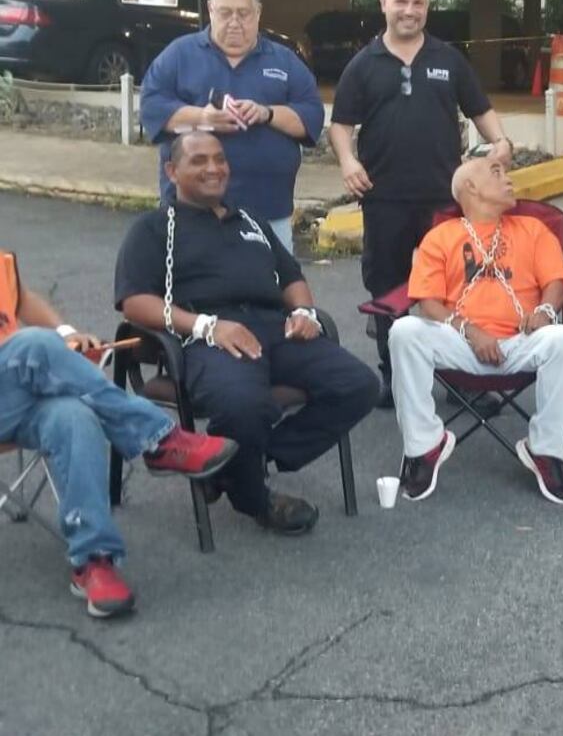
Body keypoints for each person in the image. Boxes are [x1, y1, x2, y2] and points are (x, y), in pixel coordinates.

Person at [114, 131, 380, 536]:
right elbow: (134, 302)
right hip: (207, 337)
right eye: (199, 161)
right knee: (243, 405)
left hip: (275, 329)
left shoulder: (250, 220)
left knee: (358, 385)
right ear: (172, 171)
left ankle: (232, 464)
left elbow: (291, 277)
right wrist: (207, 326)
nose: (214, 168)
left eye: (219, 159)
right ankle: (254, 497)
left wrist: (304, 311)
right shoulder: (154, 228)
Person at [1, 248, 238, 618]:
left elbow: (20, 298)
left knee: (74, 416)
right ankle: (158, 439)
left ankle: (93, 559)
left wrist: (67, 335)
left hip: (18, 394)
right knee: (34, 346)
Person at [328, 0, 514, 408]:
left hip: (444, 200)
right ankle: (395, 380)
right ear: (384, 4)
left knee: (455, 289)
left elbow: (480, 109)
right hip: (384, 198)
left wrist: (501, 141)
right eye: (401, 2)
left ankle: (460, 382)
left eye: (417, 3)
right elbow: (340, 125)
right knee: (387, 290)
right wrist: (348, 161)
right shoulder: (364, 64)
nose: (409, 11)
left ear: (427, 8)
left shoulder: (448, 59)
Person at [387, 157, 563, 505]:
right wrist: (471, 332)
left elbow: (556, 283)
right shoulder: (440, 237)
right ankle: (425, 447)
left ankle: (545, 450)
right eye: (496, 172)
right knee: (404, 331)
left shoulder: (534, 230)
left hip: (522, 341)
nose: (508, 179)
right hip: (461, 343)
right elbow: (428, 303)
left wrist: (545, 311)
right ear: (471, 187)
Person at [140, 0, 325, 250]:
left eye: (243, 13)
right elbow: (151, 106)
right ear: (210, 9)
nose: (235, 22)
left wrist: (267, 114)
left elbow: (312, 116)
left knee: (271, 278)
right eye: (225, 13)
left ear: (258, 13)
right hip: (193, 212)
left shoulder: (284, 60)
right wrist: (202, 118)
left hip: (268, 211)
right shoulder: (179, 55)